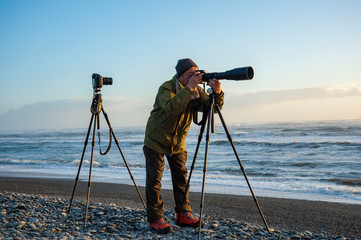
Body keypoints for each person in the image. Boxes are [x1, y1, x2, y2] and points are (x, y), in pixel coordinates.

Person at [143, 58, 224, 234]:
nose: (195, 77)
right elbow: (172, 107)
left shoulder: (194, 91)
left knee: (181, 179)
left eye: (197, 73)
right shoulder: (166, 88)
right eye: (190, 74)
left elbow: (213, 110)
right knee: (154, 181)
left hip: (177, 142)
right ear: (180, 76)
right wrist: (189, 89)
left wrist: (217, 94)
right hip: (155, 140)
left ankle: (183, 214)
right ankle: (156, 218)